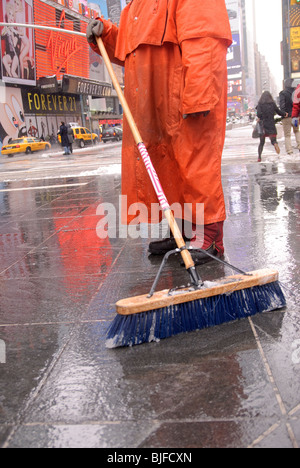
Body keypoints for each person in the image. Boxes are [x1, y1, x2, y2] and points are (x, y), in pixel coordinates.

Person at [86, 0, 232, 265]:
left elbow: (204, 38)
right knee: (165, 168)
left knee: (196, 164)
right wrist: (106, 35)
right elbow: (131, 51)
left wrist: (199, 94)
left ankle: (209, 235)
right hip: (151, 101)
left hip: (182, 94)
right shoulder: (135, 7)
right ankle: (182, 233)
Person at [256, 91, 287, 163]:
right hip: (271, 124)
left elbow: (259, 115)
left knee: (261, 143)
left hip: (263, 125)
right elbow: (279, 112)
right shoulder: (272, 104)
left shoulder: (260, 104)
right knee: (273, 140)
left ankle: (259, 157)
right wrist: (285, 114)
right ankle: (275, 144)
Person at [279, 78, 300, 155]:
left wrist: (284, 113)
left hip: (287, 117)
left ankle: (290, 151)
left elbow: (282, 105)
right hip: (295, 116)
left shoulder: (283, 93)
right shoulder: (296, 92)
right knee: (297, 131)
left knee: (287, 135)